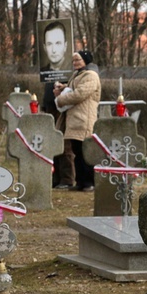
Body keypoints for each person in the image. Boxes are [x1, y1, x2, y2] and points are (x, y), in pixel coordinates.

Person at [53, 50, 101, 191]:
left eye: (78, 60)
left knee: (84, 151)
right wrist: (63, 88)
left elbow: (80, 94)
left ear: (85, 61)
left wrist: (60, 99)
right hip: (74, 119)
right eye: (74, 60)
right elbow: (73, 88)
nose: (75, 63)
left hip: (84, 118)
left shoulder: (91, 76)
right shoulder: (77, 74)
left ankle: (89, 183)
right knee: (76, 151)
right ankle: (80, 182)